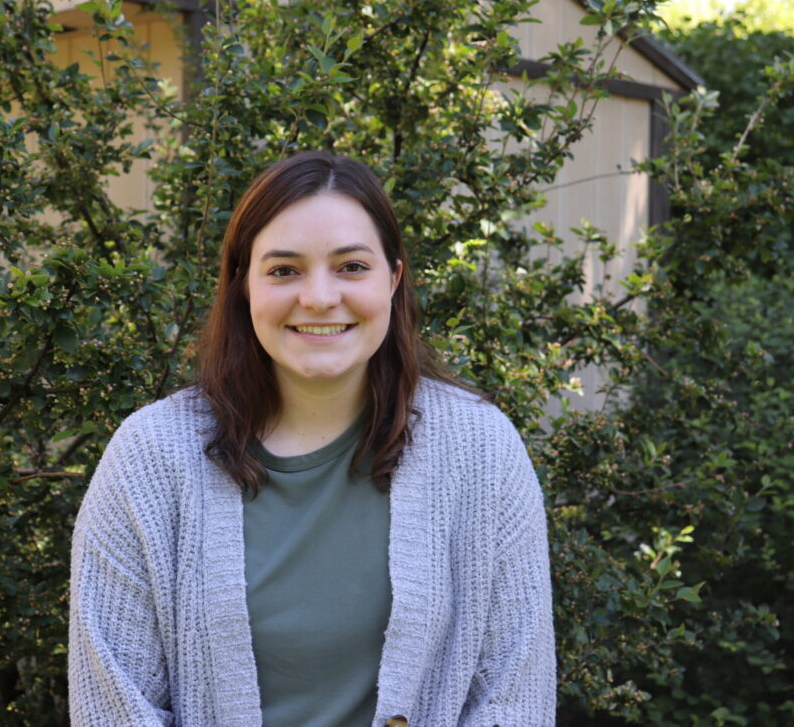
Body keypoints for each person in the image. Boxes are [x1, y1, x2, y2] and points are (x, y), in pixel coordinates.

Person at [68, 151, 555, 726]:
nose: (320, 298)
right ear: (243, 286)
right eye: (283, 270)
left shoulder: (482, 451)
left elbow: (514, 697)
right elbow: (114, 707)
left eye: (351, 266)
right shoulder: (148, 459)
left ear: (393, 279)